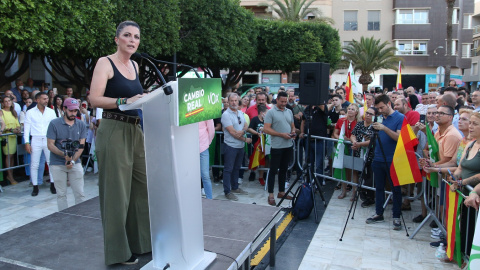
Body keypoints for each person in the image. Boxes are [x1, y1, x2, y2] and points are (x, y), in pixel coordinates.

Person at [89, 21, 151, 265]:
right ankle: (118, 253)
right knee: (117, 194)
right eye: (127, 35)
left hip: (136, 131)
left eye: (136, 36)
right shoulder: (105, 62)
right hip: (113, 128)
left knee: (141, 189)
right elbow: (94, 98)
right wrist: (125, 99)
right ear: (117, 39)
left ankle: (142, 243)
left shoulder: (135, 64)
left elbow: (136, 97)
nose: (132, 40)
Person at [365, 94, 405, 231]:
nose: (380, 110)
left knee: (396, 188)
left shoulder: (400, 118)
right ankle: (379, 213)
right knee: (379, 187)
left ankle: (396, 216)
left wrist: (384, 128)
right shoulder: (379, 116)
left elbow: (399, 137)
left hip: (393, 159)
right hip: (378, 157)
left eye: (382, 107)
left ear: (389, 104)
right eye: (378, 108)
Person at [47, 98, 87, 211]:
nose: (73, 113)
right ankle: (63, 218)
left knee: (80, 193)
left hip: (75, 162)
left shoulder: (81, 124)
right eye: (71, 111)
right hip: (57, 163)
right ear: (64, 109)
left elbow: (81, 145)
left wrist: (72, 160)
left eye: (75, 111)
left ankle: (81, 216)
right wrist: (64, 155)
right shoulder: (54, 123)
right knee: (61, 194)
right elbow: (50, 144)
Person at [263, 91, 296, 206]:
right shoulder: (270, 112)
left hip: (288, 145)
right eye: (281, 101)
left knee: (284, 169)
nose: (283, 103)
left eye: (285, 102)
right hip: (277, 146)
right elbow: (266, 129)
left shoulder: (289, 111)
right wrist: (281, 134)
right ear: (276, 100)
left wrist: (293, 132)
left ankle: (281, 192)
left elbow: (292, 125)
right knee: (273, 170)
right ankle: (271, 194)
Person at [24, 92, 57, 196]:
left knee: (51, 162)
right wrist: (27, 142)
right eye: (44, 99)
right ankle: (35, 186)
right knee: (34, 164)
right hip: (36, 139)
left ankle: (53, 184)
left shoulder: (51, 112)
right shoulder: (30, 112)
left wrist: (55, 140)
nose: (46, 100)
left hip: (48, 139)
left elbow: (55, 126)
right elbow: (26, 129)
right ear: (37, 100)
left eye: (47, 98)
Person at [221, 93, 251, 201]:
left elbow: (246, 125)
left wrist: (242, 131)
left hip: (240, 146)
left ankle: (235, 187)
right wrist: (245, 139)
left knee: (236, 168)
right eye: (231, 101)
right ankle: (227, 191)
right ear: (228, 102)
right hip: (230, 146)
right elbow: (233, 133)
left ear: (238, 101)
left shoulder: (240, 113)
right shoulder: (226, 115)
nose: (234, 103)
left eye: (235, 100)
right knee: (228, 169)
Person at [333, 103, 361, 199]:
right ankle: (343, 191)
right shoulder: (341, 120)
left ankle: (354, 193)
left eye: (352, 109)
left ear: (356, 111)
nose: (350, 111)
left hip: (353, 147)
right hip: (343, 146)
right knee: (343, 169)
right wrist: (341, 138)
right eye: (349, 109)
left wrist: (353, 140)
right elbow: (335, 134)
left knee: (354, 170)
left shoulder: (359, 122)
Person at [351, 107, 376, 206]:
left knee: (369, 177)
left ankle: (370, 197)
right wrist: (355, 142)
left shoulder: (375, 126)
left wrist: (360, 144)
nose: (368, 115)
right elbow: (353, 134)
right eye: (367, 113)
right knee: (359, 174)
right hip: (358, 153)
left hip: (370, 155)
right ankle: (360, 194)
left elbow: (373, 140)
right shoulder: (360, 124)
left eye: (371, 114)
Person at [0, 96, 20, 185]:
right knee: (8, 156)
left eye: (9, 101)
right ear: (3, 103)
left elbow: (17, 124)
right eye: (5, 101)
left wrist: (18, 128)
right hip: (7, 137)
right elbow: (2, 125)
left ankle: (11, 174)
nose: (8, 102)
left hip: (13, 137)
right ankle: (9, 176)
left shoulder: (13, 112)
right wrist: (11, 130)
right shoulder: (1, 112)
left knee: (11, 157)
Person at [247, 104, 268, 186]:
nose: (267, 114)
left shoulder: (267, 120)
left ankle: (261, 177)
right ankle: (252, 172)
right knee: (253, 158)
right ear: (262, 112)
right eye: (266, 113)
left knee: (263, 160)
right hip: (255, 143)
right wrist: (257, 133)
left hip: (265, 143)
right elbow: (249, 128)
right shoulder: (255, 119)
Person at [198, 119, 215, 199]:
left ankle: (209, 199)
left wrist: (207, 143)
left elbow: (211, 130)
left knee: (205, 175)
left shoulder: (205, 112)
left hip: (203, 147)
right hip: (189, 147)